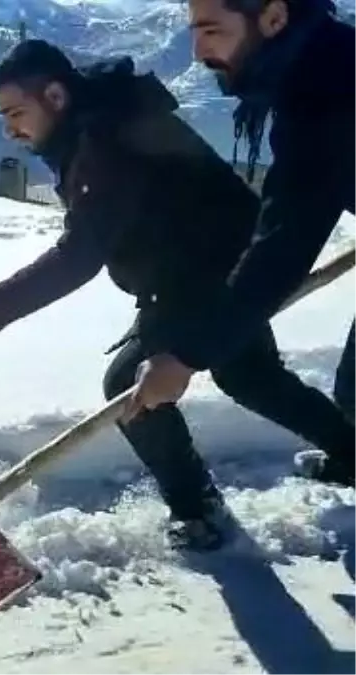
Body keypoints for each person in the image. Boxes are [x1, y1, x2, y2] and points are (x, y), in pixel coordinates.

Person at [0, 39, 356, 551]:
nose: (10, 129)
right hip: (205, 266)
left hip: (203, 275)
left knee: (130, 389)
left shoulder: (103, 140)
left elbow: (79, 256)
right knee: (254, 379)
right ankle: (350, 455)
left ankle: (196, 508)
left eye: (15, 112)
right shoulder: (98, 120)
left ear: (54, 95)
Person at [128, 0, 356, 486]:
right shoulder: (326, 62)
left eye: (212, 31)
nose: (197, 51)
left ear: (274, 18)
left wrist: (189, 355)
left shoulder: (326, 91)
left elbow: (285, 240)